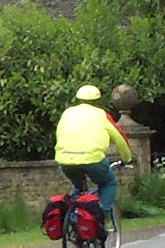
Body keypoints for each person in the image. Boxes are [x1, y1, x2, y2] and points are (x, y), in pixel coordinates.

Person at [55, 84, 133, 219]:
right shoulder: (101, 115)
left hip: (65, 159)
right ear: (97, 101)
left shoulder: (67, 113)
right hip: (93, 159)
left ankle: (73, 221)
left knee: (79, 188)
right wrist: (127, 158)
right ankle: (99, 217)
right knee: (108, 182)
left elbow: (59, 134)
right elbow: (120, 139)